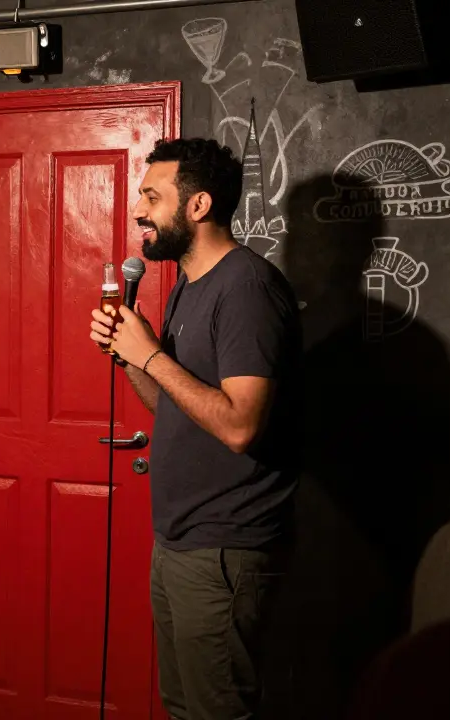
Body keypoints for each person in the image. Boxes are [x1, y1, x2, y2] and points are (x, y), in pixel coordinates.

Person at [90, 137, 301, 720]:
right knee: (184, 706)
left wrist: (151, 355)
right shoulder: (188, 284)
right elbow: (177, 407)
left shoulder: (245, 289)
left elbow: (239, 426)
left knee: (219, 711)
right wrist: (129, 354)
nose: (139, 210)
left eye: (153, 197)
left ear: (199, 206)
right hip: (182, 541)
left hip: (227, 547)